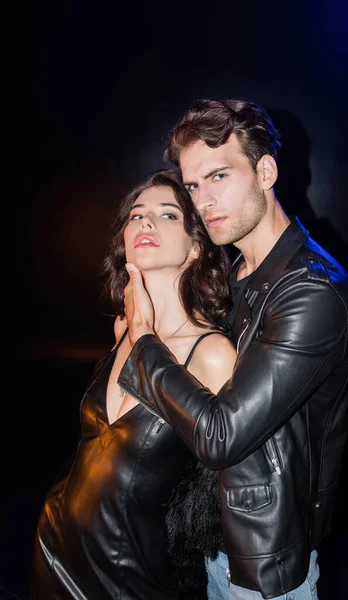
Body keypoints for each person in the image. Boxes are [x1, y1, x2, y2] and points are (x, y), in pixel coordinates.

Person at [117, 99, 348, 600]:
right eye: (192, 184)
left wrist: (144, 340)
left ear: (265, 171)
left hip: (264, 568)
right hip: (217, 540)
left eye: (219, 176)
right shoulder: (240, 273)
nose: (202, 200)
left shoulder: (313, 292)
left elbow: (221, 434)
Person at [30, 168, 237, 600]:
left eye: (167, 215)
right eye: (136, 215)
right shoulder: (122, 329)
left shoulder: (212, 354)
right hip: (55, 546)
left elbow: (228, 491)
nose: (145, 222)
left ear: (196, 248)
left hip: (135, 577)